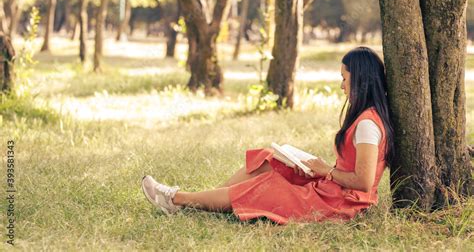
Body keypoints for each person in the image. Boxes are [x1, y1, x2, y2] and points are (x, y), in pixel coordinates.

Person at [141, 46, 395, 225]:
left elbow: (363, 182)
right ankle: (206, 201)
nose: (342, 86)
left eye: (345, 79)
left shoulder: (367, 125)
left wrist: (325, 170)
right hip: (331, 190)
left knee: (267, 186)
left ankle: (175, 199)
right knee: (268, 159)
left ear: (361, 80)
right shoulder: (365, 118)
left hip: (340, 203)